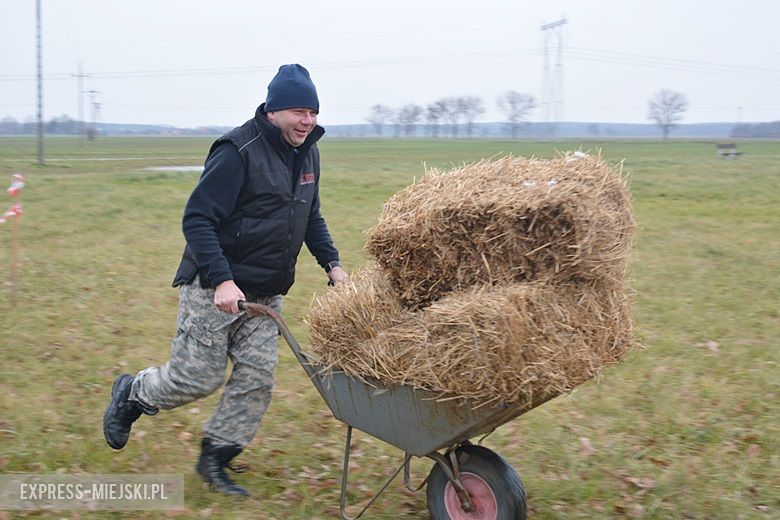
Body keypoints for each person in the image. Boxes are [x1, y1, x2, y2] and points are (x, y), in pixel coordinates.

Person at [102, 64, 348, 496]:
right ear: (273, 111)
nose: (307, 121)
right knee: (198, 377)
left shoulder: (308, 151)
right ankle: (133, 393)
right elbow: (197, 219)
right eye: (298, 111)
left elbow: (310, 215)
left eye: (312, 111)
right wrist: (221, 280)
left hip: (267, 294)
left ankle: (216, 458)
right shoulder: (237, 151)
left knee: (257, 378)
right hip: (215, 288)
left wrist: (333, 265)